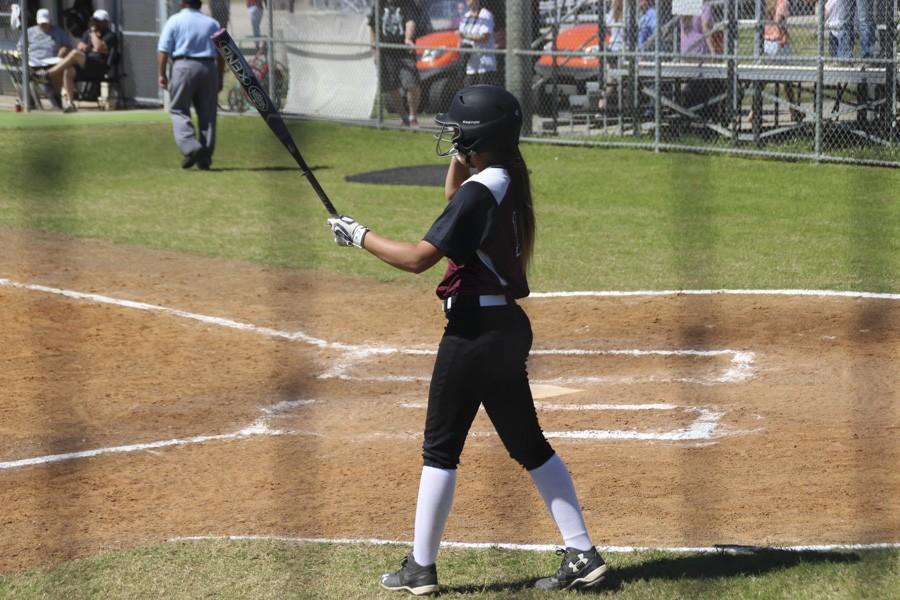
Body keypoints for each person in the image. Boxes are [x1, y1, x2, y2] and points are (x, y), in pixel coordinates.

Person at [326, 85, 608, 595]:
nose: (451, 139)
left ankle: (420, 568)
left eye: (459, 133)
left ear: (480, 135)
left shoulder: (484, 190)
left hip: (473, 334)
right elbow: (455, 201)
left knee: (440, 449)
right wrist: (461, 157)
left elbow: (418, 258)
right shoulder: (505, 179)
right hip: (503, 331)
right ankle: (583, 553)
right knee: (529, 444)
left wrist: (359, 234)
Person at [157, 0, 224, 170]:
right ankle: (205, 158)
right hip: (209, 67)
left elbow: (164, 50)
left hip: (183, 66)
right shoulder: (212, 23)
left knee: (179, 109)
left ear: (182, 3)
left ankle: (191, 147)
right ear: (200, 4)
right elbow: (222, 53)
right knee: (208, 114)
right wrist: (220, 77)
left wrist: (162, 73)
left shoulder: (174, 21)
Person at [42, 9, 119, 113]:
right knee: (68, 70)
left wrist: (92, 33)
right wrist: (85, 46)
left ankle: (49, 73)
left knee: (74, 54)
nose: (96, 24)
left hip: (99, 67)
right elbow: (80, 46)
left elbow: (99, 46)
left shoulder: (110, 35)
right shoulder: (88, 33)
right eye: (95, 21)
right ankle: (70, 104)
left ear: (105, 22)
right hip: (87, 65)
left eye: (99, 21)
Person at [368, 0, 423, 128]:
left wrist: (408, 38)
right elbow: (372, 27)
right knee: (390, 87)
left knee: (412, 83)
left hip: (404, 51)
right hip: (385, 52)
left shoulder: (407, 3)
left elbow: (410, 21)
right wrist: (374, 50)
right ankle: (404, 117)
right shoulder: (379, 4)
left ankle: (413, 117)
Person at [17, 9, 73, 109]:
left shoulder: (58, 32)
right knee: (24, 70)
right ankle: (30, 100)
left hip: (52, 62)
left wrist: (64, 49)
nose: (43, 25)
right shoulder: (29, 32)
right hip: (34, 62)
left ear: (49, 20)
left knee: (61, 67)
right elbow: (20, 47)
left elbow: (69, 47)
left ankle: (56, 96)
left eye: (45, 23)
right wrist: (24, 55)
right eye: (41, 23)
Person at [762, 0, 800, 121]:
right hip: (779, 45)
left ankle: (753, 113)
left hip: (767, 44)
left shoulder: (768, 3)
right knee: (788, 81)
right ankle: (794, 112)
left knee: (762, 81)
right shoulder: (783, 2)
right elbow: (778, 20)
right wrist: (783, 33)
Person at [457, 0, 499, 87]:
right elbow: (461, 36)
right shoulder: (466, 16)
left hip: (484, 66)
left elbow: (484, 38)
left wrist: (465, 36)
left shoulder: (485, 14)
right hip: (471, 66)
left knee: (484, 96)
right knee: (469, 94)